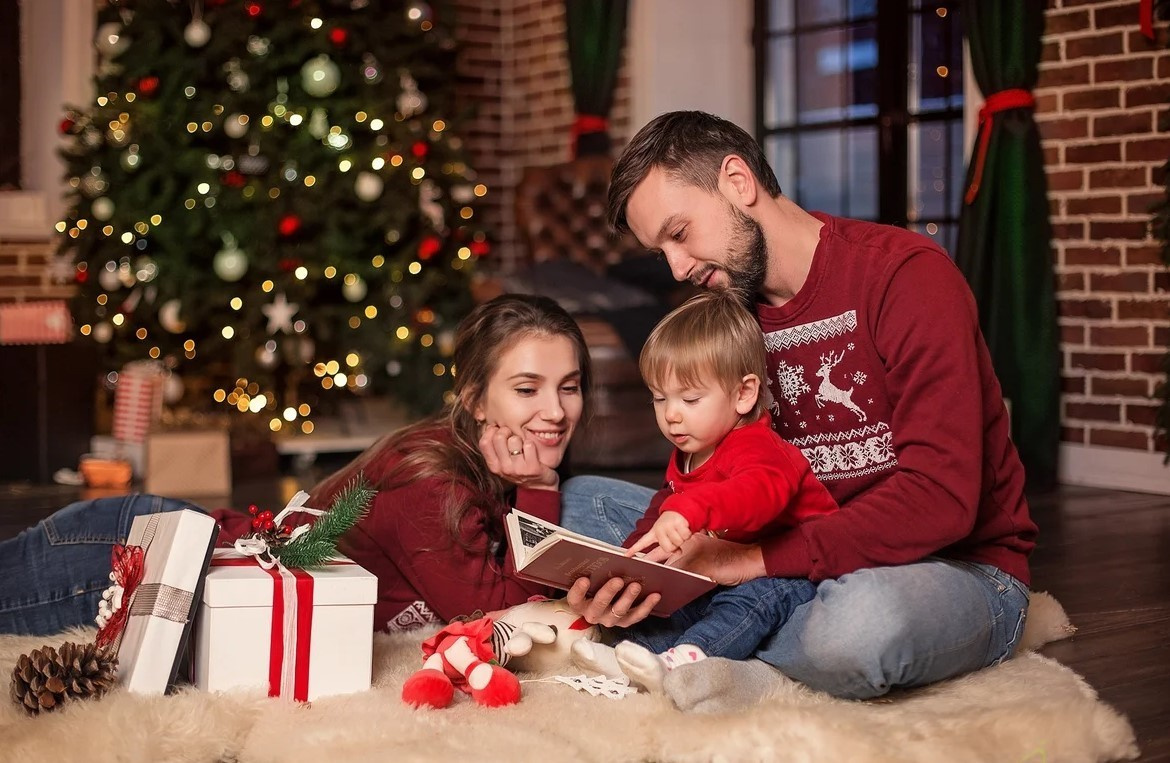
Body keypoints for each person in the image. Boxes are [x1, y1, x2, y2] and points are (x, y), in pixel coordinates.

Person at [558, 110, 1038, 707]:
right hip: (792, 557)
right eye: (662, 253)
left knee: (859, 630)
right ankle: (724, 634)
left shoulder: (905, 275)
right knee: (580, 506)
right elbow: (695, 472)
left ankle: (717, 640)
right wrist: (638, 569)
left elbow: (941, 499)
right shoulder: (731, 313)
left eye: (679, 234)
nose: (678, 269)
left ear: (738, 181)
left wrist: (750, 562)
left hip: (945, 566)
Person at [0, 294, 593, 635]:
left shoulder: (487, 460)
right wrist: (541, 486)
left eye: (569, 387)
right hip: (134, 558)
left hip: (164, 553)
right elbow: (503, 615)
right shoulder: (434, 479)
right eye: (526, 388)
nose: (555, 411)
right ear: (472, 396)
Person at [569, 290, 837, 694]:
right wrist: (630, 561)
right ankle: (636, 656)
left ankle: (689, 659)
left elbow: (756, 496)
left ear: (744, 394)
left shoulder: (757, 445)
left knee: (745, 605)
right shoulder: (689, 449)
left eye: (690, 398)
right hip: (725, 561)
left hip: (792, 571)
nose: (671, 414)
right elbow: (661, 506)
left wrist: (689, 510)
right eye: (660, 398)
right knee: (673, 600)